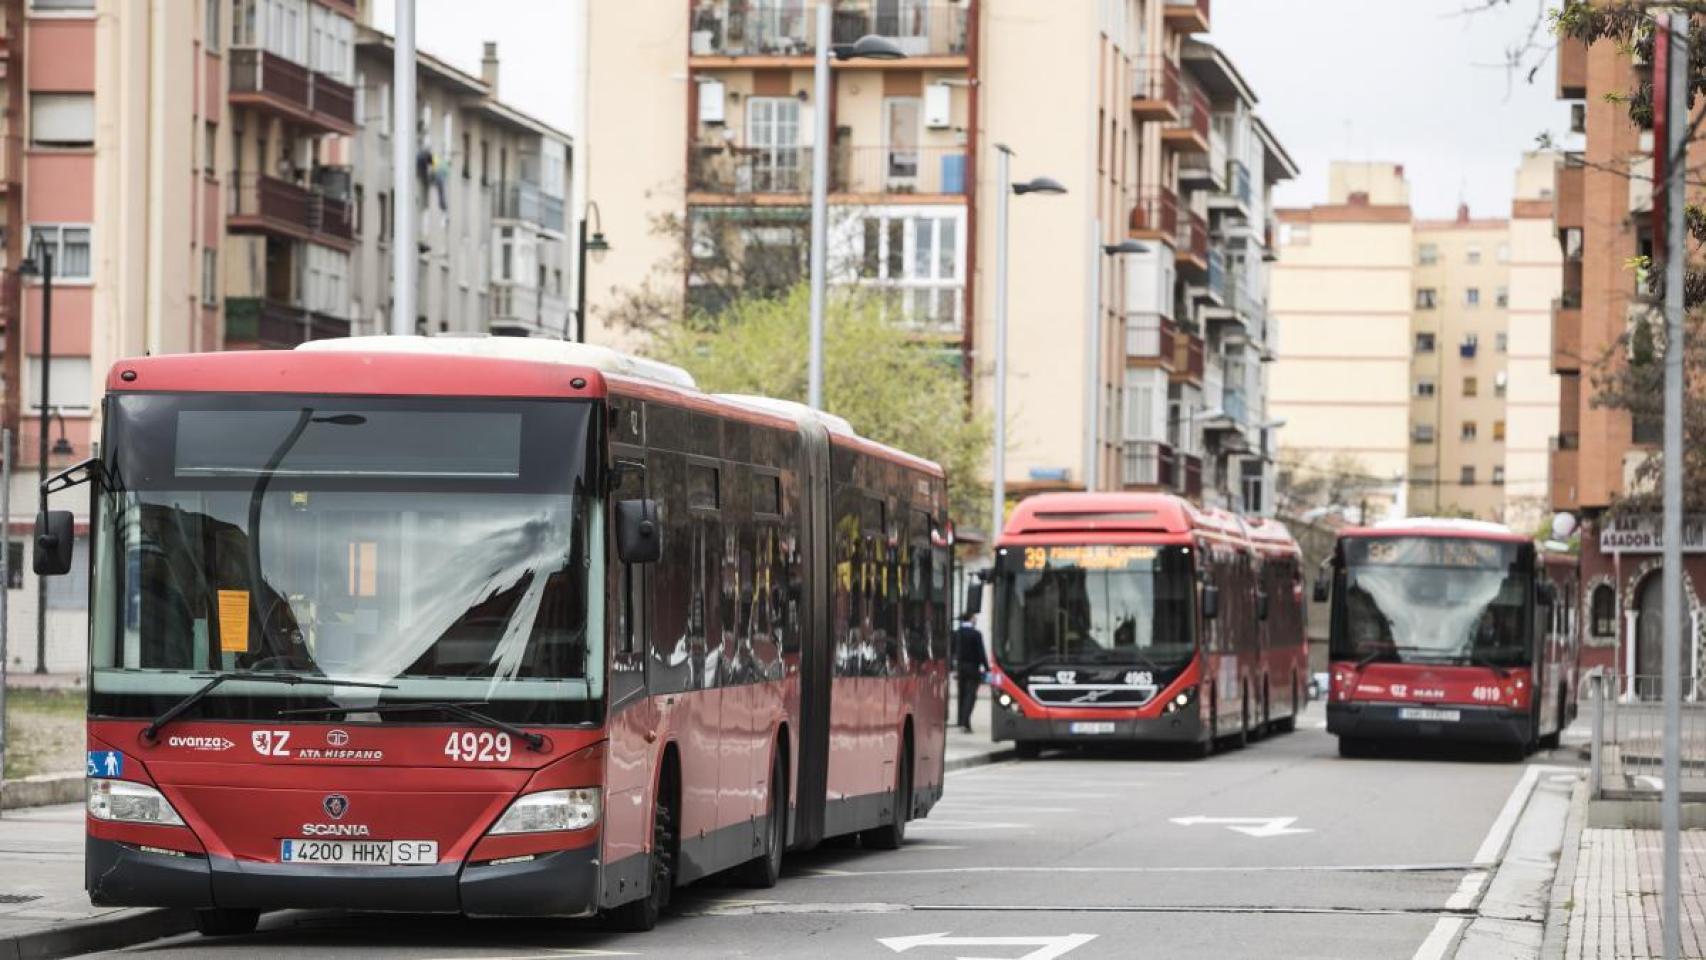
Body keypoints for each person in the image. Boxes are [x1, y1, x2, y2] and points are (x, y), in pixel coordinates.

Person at [952, 613, 988, 732]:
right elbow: (981, 653)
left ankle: (963, 722)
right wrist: (987, 668)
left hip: (960, 667)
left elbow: (953, 650)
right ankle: (964, 721)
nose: (975, 620)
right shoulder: (976, 634)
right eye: (974, 618)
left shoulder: (957, 633)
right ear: (970, 619)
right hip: (973, 668)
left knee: (962, 694)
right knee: (970, 695)